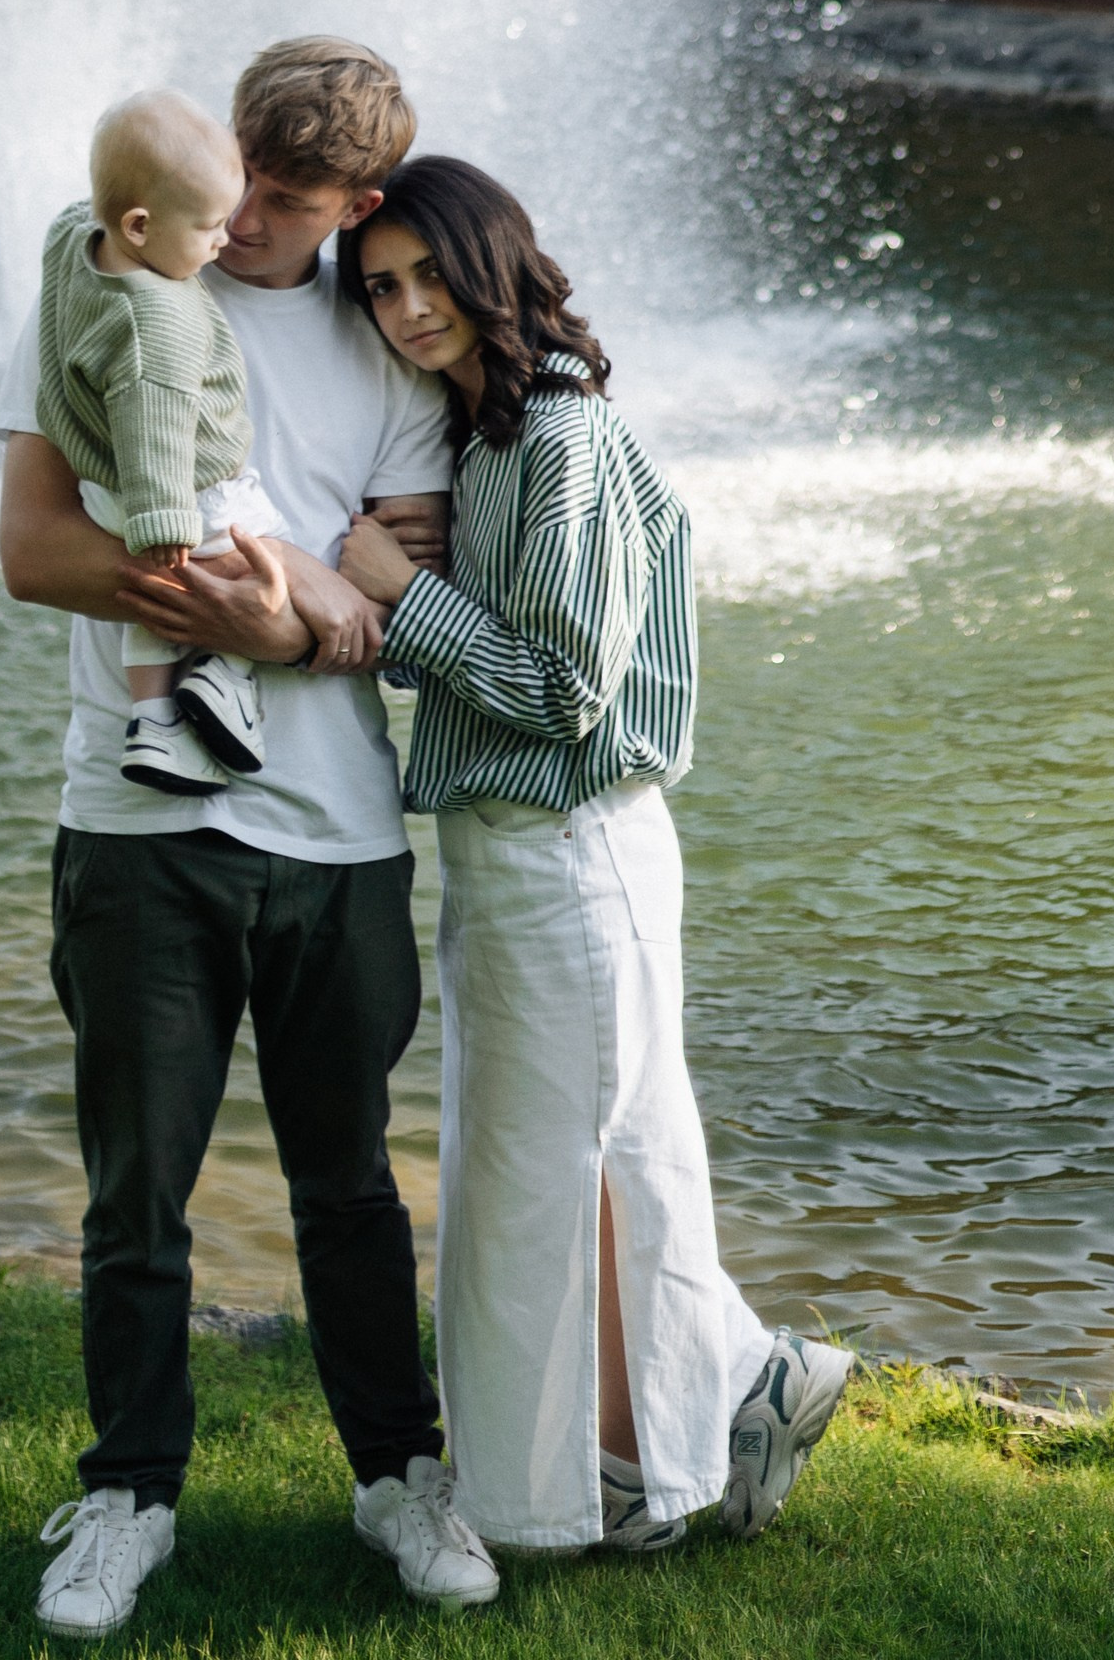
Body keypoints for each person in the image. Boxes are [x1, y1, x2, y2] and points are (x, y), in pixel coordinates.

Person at [0, 38, 501, 1637]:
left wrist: (323, 606)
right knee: (135, 1194)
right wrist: (293, 612)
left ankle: (398, 1476)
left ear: (357, 201)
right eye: (244, 182)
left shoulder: (394, 349)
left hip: (339, 837)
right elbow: (33, 550)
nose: (250, 222)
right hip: (136, 818)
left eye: (289, 201)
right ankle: (128, 1498)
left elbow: (400, 601)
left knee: (348, 1189)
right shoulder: (105, 279)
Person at [339, 156, 854, 1562]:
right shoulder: (496, 439)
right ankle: (664, 1440)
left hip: (570, 850)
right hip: (519, 854)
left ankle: (662, 1434)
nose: (406, 308)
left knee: (562, 1180)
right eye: (380, 288)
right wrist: (427, 575)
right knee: (572, 1176)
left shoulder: (560, 436)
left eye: (428, 275)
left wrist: (404, 593)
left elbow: (564, 689)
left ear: (489, 262)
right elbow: (504, 659)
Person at [35, 88, 276, 793]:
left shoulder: (74, 236)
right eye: (209, 227)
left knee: (154, 601)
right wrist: (164, 520)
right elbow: (157, 427)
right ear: (139, 226)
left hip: (104, 484)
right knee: (260, 552)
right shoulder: (158, 322)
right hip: (181, 492)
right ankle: (226, 674)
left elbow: (79, 218)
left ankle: (154, 722)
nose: (225, 240)